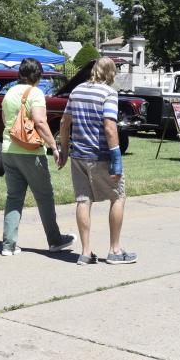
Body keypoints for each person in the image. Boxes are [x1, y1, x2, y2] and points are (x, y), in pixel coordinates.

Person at [57, 57, 135, 265]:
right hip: (100, 156)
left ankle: (85, 252)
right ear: (110, 73)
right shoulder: (109, 93)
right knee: (118, 197)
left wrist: (64, 151)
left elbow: (65, 123)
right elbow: (110, 127)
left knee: (83, 200)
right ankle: (115, 251)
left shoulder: (77, 91)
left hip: (78, 156)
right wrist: (116, 159)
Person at [0, 57, 75, 257]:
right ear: (37, 76)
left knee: (14, 197)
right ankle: (55, 240)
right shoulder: (36, 93)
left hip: (8, 149)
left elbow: (5, 120)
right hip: (30, 151)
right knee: (44, 196)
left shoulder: (9, 93)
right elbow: (40, 122)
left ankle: (8, 245)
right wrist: (54, 147)